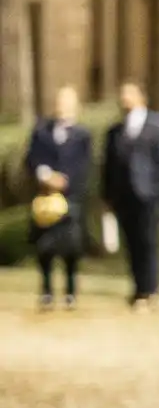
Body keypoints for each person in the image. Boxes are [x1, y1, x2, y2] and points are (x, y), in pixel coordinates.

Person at [102, 80, 159, 311]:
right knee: (132, 243)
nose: (125, 99)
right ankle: (138, 289)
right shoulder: (115, 131)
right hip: (124, 196)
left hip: (149, 195)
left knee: (148, 242)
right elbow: (108, 166)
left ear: (141, 97)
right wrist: (107, 196)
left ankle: (151, 289)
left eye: (129, 94)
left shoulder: (157, 124)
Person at [26, 86, 92, 312]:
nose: (61, 106)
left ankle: (71, 292)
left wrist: (66, 180)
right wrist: (45, 176)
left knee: (71, 248)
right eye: (59, 101)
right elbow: (32, 158)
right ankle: (46, 291)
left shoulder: (83, 135)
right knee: (44, 247)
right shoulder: (41, 131)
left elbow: (84, 166)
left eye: (66, 102)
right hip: (45, 198)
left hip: (71, 197)